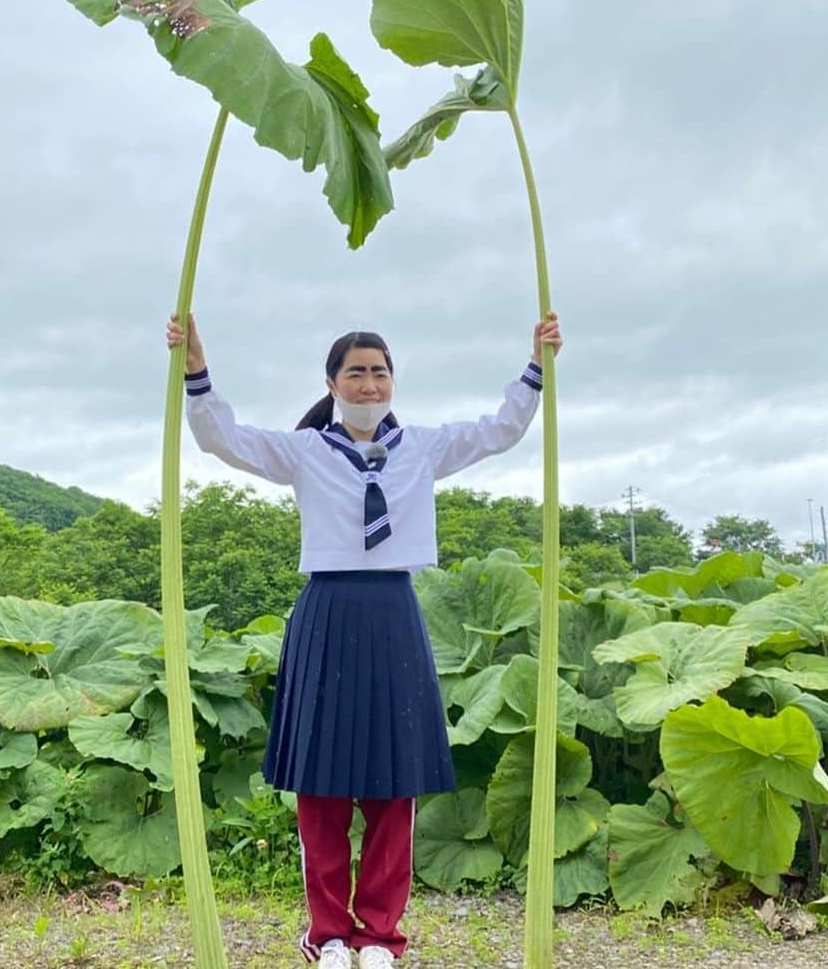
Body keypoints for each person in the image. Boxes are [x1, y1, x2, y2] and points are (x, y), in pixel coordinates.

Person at [166, 311, 563, 969]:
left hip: (394, 615)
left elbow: (501, 430)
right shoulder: (306, 451)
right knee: (320, 787)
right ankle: (326, 935)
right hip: (327, 611)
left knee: (392, 781)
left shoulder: (422, 447)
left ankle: (378, 933)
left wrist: (536, 364)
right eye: (357, 370)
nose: (371, 382)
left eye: (381, 371)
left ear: (392, 381)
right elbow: (220, 437)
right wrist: (196, 367)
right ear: (333, 381)